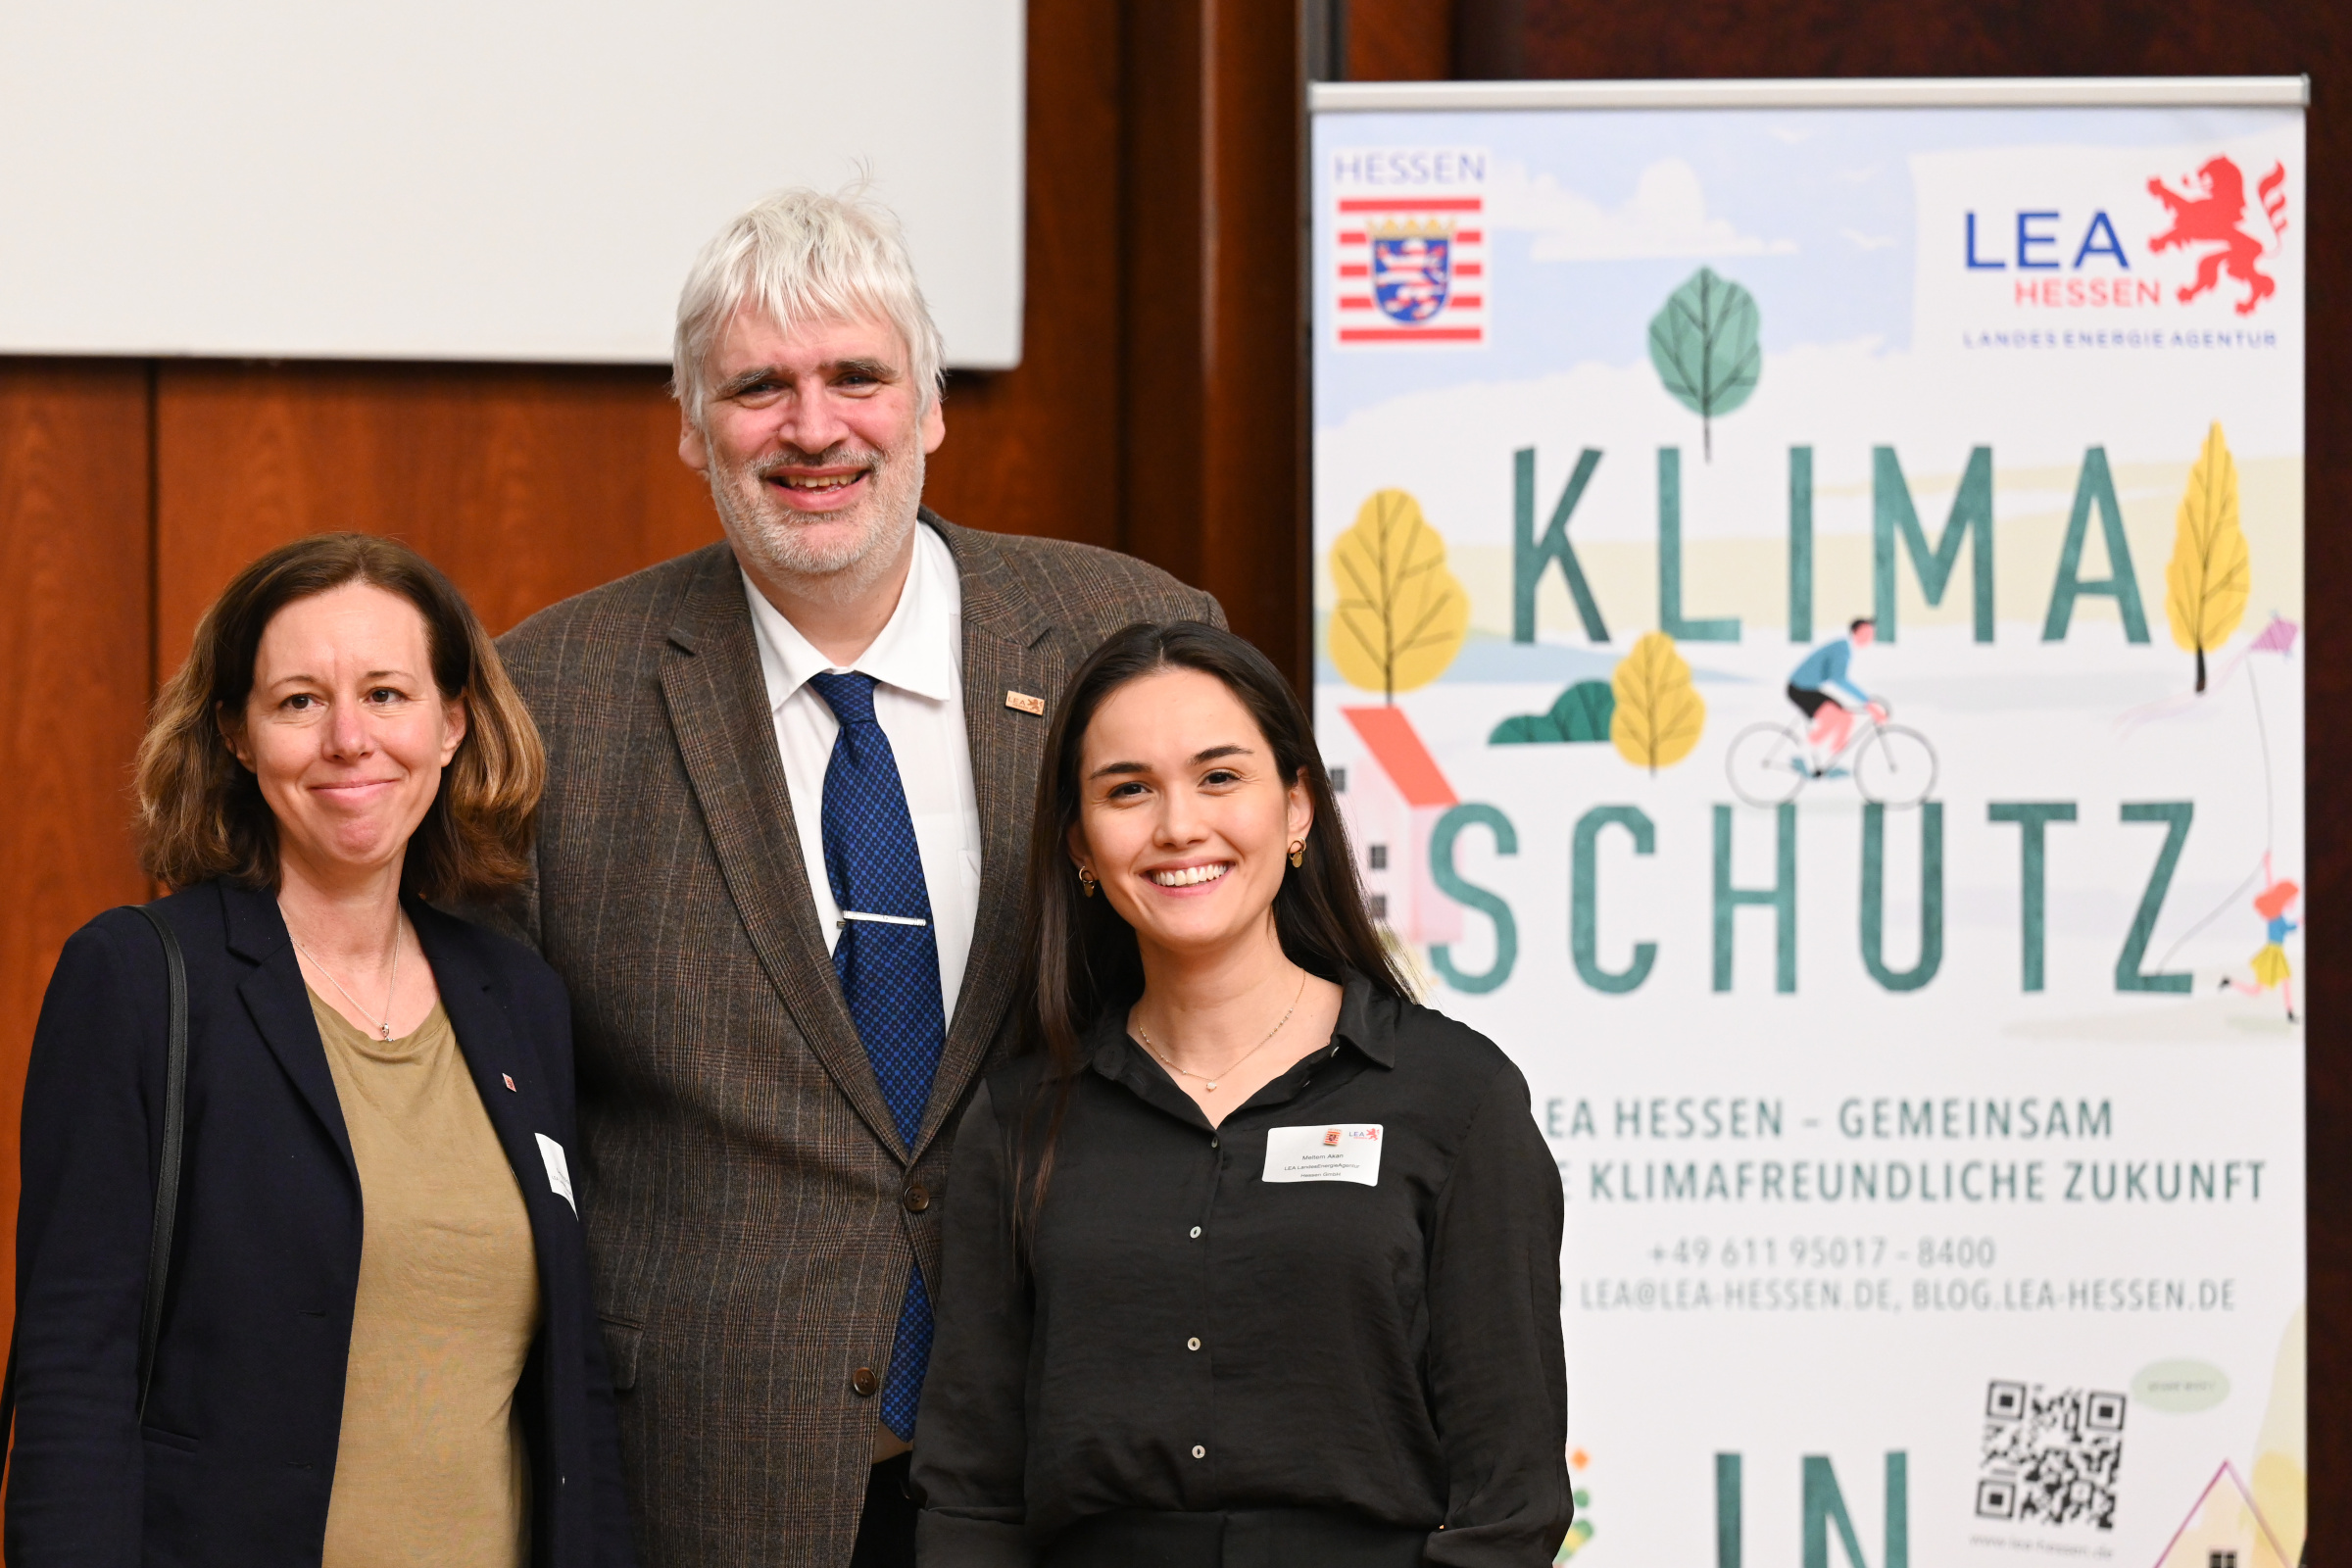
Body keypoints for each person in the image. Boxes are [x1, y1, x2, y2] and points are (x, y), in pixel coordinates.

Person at [485, 188, 1221, 1566]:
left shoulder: (1135, 638)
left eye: (857, 378)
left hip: (1085, 1429)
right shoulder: (553, 694)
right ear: (694, 428)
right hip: (713, 1458)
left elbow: (1252, 994)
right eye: (759, 386)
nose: (814, 428)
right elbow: (496, 1112)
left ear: (931, 408)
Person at [11, 533, 631, 1565]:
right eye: (299, 700)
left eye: (387, 694)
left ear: (453, 723)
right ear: (238, 735)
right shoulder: (139, 978)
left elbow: (578, 1383)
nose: (349, 738)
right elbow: (75, 1370)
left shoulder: (519, 999)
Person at [914, 621, 1572, 1567]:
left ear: (1298, 809)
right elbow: (972, 1496)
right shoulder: (1020, 1119)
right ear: (1081, 846)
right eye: (1128, 789)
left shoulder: (1454, 1098)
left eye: (1220, 777)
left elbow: (1508, 1506)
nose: (1179, 825)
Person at [1787, 616, 1886, 774]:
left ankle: (1827, 762)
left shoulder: (1845, 647)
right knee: (1835, 717)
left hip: (1808, 687)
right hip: (1800, 689)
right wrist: (1868, 703)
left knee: (1846, 718)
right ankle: (1804, 753)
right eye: (1867, 633)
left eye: (1871, 633)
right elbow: (1839, 679)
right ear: (1857, 632)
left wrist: (1867, 702)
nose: (1870, 637)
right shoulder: (1843, 649)